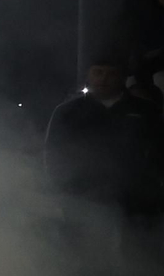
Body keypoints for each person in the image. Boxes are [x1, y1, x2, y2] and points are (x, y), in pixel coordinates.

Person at [44, 56, 164, 207]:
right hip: (83, 200)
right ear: (88, 75)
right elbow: (53, 153)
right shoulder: (67, 111)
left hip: (138, 202)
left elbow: (159, 151)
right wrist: (66, 192)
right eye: (98, 72)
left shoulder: (146, 110)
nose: (104, 79)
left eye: (111, 73)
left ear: (123, 77)